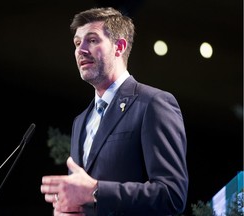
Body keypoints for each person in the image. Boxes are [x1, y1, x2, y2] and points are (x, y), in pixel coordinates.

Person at [40, 7, 188, 216]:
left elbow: (172, 195)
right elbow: (85, 201)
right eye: (77, 42)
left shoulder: (153, 103)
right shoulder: (80, 122)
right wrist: (70, 209)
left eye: (92, 40)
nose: (81, 49)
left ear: (119, 47)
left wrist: (95, 190)